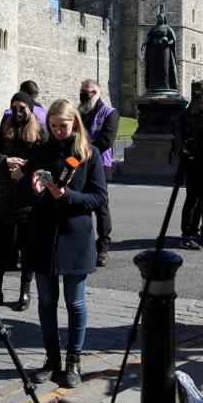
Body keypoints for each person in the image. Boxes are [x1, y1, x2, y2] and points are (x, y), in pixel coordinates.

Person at [25, 99, 107, 388]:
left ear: (75, 123)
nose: (58, 131)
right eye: (53, 126)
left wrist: (67, 196)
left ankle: (74, 359)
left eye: (63, 126)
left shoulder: (89, 154)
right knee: (47, 302)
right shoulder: (41, 151)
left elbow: (98, 199)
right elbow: (29, 196)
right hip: (43, 234)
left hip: (75, 235)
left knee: (75, 301)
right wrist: (35, 190)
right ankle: (51, 359)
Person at [0, 91, 47, 311]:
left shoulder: (39, 131)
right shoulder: (5, 128)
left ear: (30, 110)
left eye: (22, 108)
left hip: (27, 199)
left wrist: (26, 169)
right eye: (14, 107)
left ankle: (25, 291)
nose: (18, 112)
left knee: (27, 248)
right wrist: (5, 161)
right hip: (3, 198)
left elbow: (47, 162)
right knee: (0, 247)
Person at [78, 79, 119, 267]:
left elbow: (106, 141)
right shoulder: (79, 112)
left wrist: (83, 152)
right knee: (78, 204)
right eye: (81, 91)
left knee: (101, 206)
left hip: (100, 165)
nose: (82, 94)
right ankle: (81, 244)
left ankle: (103, 247)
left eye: (85, 91)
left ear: (95, 92)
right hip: (78, 164)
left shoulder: (110, 113)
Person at [177, 90, 203, 250]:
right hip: (194, 162)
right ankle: (186, 235)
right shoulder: (190, 117)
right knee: (192, 200)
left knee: (202, 200)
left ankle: (193, 231)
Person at [141, 7, 178, 92]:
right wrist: (144, 43)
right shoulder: (153, 28)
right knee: (153, 70)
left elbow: (173, 39)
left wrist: (168, 43)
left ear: (164, 19)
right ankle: (153, 86)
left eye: (160, 18)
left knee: (164, 69)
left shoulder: (167, 28)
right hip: (153, 52)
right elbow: (148, 38)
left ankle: (166, 86)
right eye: (158, 18)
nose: (159, 19)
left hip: (164, 51)